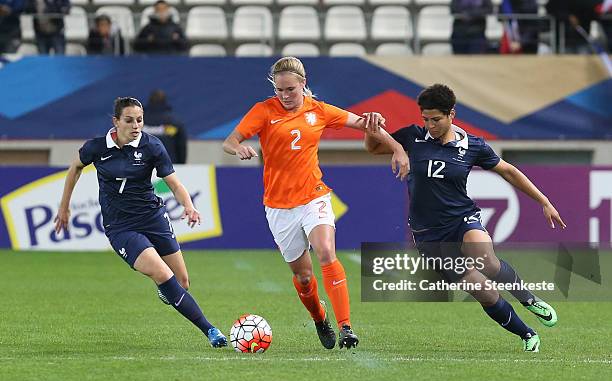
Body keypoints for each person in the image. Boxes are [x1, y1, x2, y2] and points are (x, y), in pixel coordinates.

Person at [222, 56, 409, 350]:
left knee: (325, 251)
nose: (284, 96)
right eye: (280, 90)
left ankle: (346, 327)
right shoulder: (263, 111)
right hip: (279, 206)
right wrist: (239, 148)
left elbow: (364, 124)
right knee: (304, 277)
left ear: (303, 85)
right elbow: (229, 141)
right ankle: (319, 317)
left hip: (314, 196)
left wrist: (397, 147)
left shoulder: (319, 111)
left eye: (290, 90)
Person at [364, 84, 566, 352]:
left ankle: (528, 299)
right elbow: (374, 147)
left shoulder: (473, 145)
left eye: (436, 119)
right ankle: (526, 334)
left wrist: (544, 201)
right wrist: (370, 128)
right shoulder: (413, 137)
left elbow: (508, 171)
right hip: (428, 235)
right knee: (484, 292)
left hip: (462, 218)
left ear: (451, 115)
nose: (430, 125)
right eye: (425, 119)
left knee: (485, 258)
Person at [53, 97, 227, 348]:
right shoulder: (97, 148)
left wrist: (189, 206)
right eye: (129, 120)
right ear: (116, 121)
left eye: (140, 120)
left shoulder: (152, 146)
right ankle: (211, 330)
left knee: (182, 282)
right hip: (122, 227)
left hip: (153, 217)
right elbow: (75, 167)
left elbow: (174, 183)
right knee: (162, 273)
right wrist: (64, 206)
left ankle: (167, 288)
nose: (136, 125)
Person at [143, 89, 187, 164]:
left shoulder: (138, 121)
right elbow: (181, 146)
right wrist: (181, 165)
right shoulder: (174, 122)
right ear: (165, 101)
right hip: (168, 166)